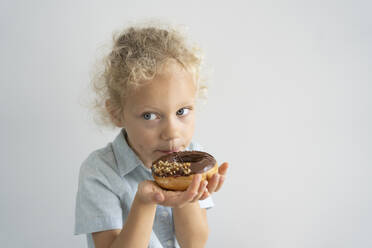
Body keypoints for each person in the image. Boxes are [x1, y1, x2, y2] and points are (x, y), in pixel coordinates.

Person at [74, 23, 229, 248]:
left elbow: (194, 243)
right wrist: (146, 201)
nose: (172, 132)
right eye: (149, 116)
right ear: (117, 114)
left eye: (181, 112)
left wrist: (187, 193)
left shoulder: (194, 159)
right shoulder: (100, 171)